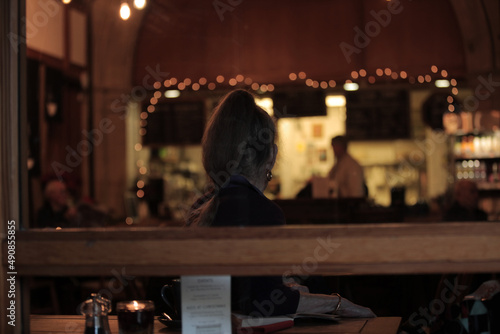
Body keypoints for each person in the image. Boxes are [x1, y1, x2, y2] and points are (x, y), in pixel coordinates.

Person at [187, 89, 375, 318]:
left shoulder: (200, 207)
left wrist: (284, 284)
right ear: (272, 155)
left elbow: (242, 291)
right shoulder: (264, 212)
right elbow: (263, 301)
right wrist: (339, 304)